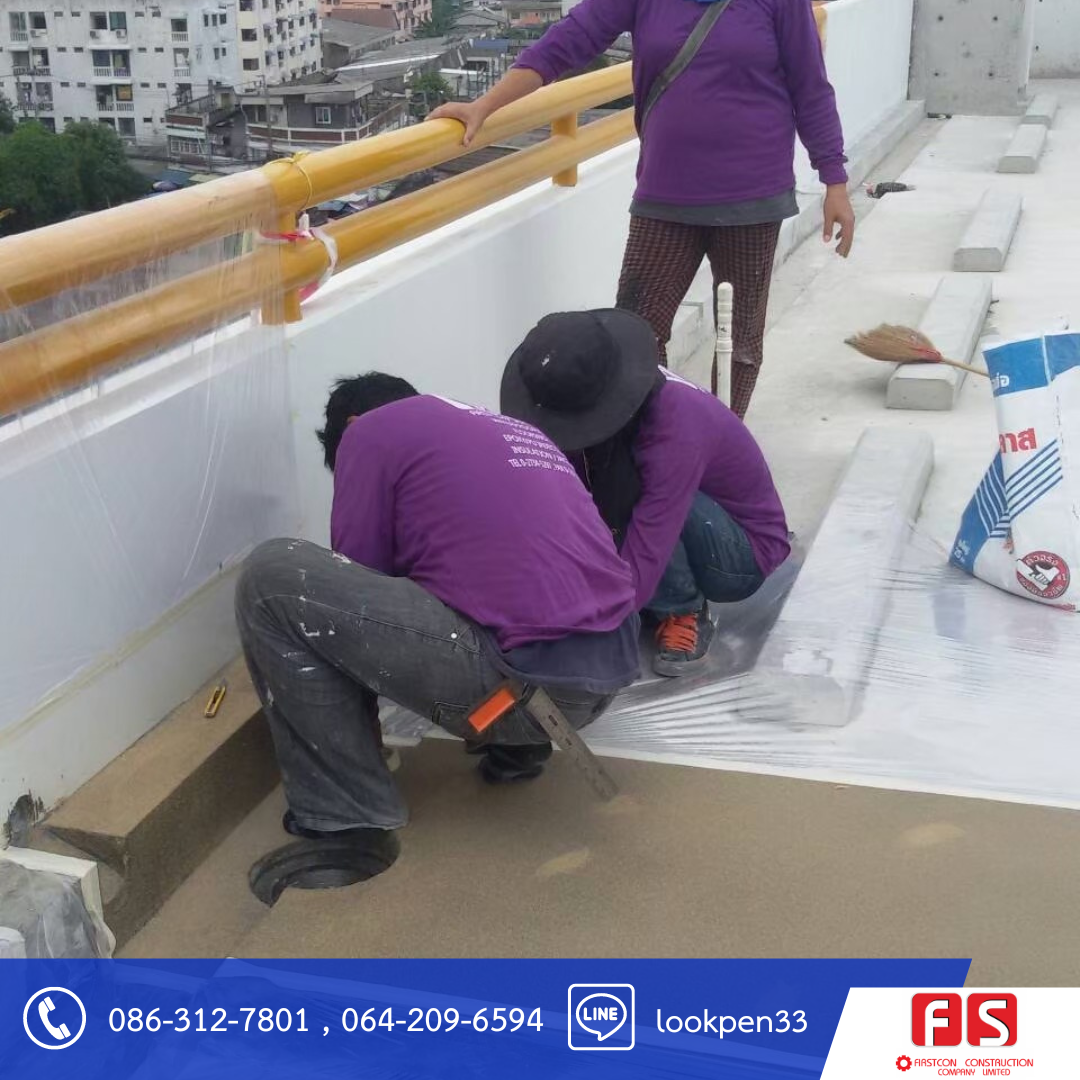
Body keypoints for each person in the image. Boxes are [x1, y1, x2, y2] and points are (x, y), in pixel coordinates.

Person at [235, 373, 641, 882]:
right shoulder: (507, 431)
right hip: (600, 681)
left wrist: (359, 732)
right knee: (476, 589)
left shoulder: (368, 432)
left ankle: (345, 808)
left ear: (352, 426)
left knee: (272, 576)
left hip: (519, 688)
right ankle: (514, 745)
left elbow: (359, 592)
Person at [430, 0, 854, 419]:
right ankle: (656, 436)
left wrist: (834, 179)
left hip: (753, 195)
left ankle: (724, 438)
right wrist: (484, 106)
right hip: (665, 193)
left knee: (739, 341)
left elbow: (811, 88)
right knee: (635, 335)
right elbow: (567, 41)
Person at [502, 310, 790, 676]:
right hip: (677, 517)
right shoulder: (608, 391)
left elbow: (652, 537)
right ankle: (648, 595)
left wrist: (588, 628)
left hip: (741, 554)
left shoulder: (676, 427)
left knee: (632, 497)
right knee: (599, 492)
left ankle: (682, 610)